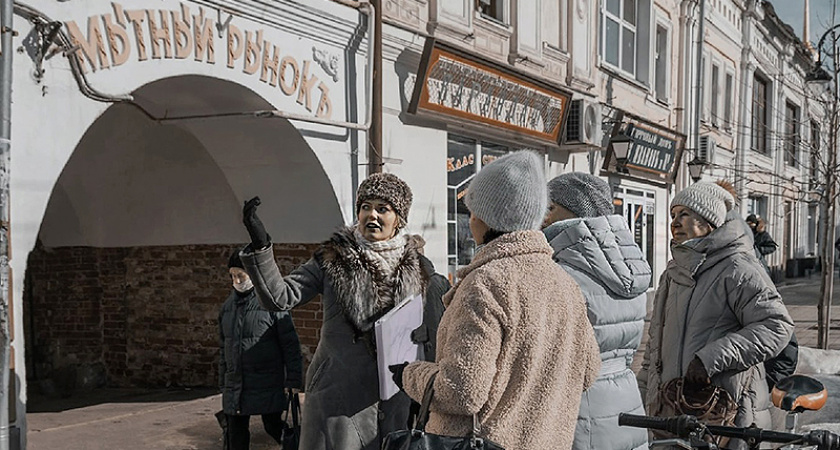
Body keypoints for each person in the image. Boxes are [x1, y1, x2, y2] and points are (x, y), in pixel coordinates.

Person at [391, 151, 601, 450]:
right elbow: (588, 371)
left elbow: (461, 391)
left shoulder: (486, 283)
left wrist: (409, 374)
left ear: (487, 216)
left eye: (473, 210)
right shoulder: (564, 283)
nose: (471, 218)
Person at [237, 173, 443, 450]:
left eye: (383, 209)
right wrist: (261, 247)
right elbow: (279, 297)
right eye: (365, 206)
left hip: (393, 398)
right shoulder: (333, 258)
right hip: (337, 396)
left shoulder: (420, 269)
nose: (372, 215)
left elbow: (431, 336)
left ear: (399, 219)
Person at [638, 182, 793, 445]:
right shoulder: (672, 274)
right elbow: (655, 347)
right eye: (673, 215)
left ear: (708, 220)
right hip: (672, 415)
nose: (675, 222)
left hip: (728, 416)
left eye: (684, 214)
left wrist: (710, 359)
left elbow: (776, 326)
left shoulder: (737, 267)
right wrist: (643, 397)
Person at [541, 172, 649, 450]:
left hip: (579, 409)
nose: (544, 216)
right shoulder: (632, 267)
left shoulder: (561, 272)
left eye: (550, 207)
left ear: (574, 210)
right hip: (626, 401)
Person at [219, 249, 303, 450]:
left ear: (252, 275)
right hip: (236, 383)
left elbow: (290, 344)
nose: (236, 280)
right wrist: (223, 382)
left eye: (241, 275)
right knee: (235, 435)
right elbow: (224, 347)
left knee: (274, 426)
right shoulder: (228, 307)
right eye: (233, 276)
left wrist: (293, 380)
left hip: (267, 381)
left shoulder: (271, 303)